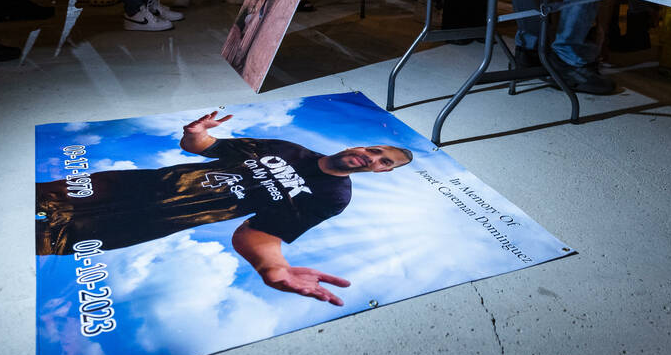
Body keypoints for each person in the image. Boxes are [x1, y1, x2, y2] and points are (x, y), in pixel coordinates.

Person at [36, 110, 413, 305]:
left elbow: (261, 233)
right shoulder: (286, 148)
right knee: (29, 201)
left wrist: (275, 267)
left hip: (142, 223)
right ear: (357, 146)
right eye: (374, 150)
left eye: (384, 163)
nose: (373, 159)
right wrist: (196, 132)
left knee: (40, 240)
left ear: (382, 174)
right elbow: (203, 147)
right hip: (124, 187)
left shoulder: (333, 199)